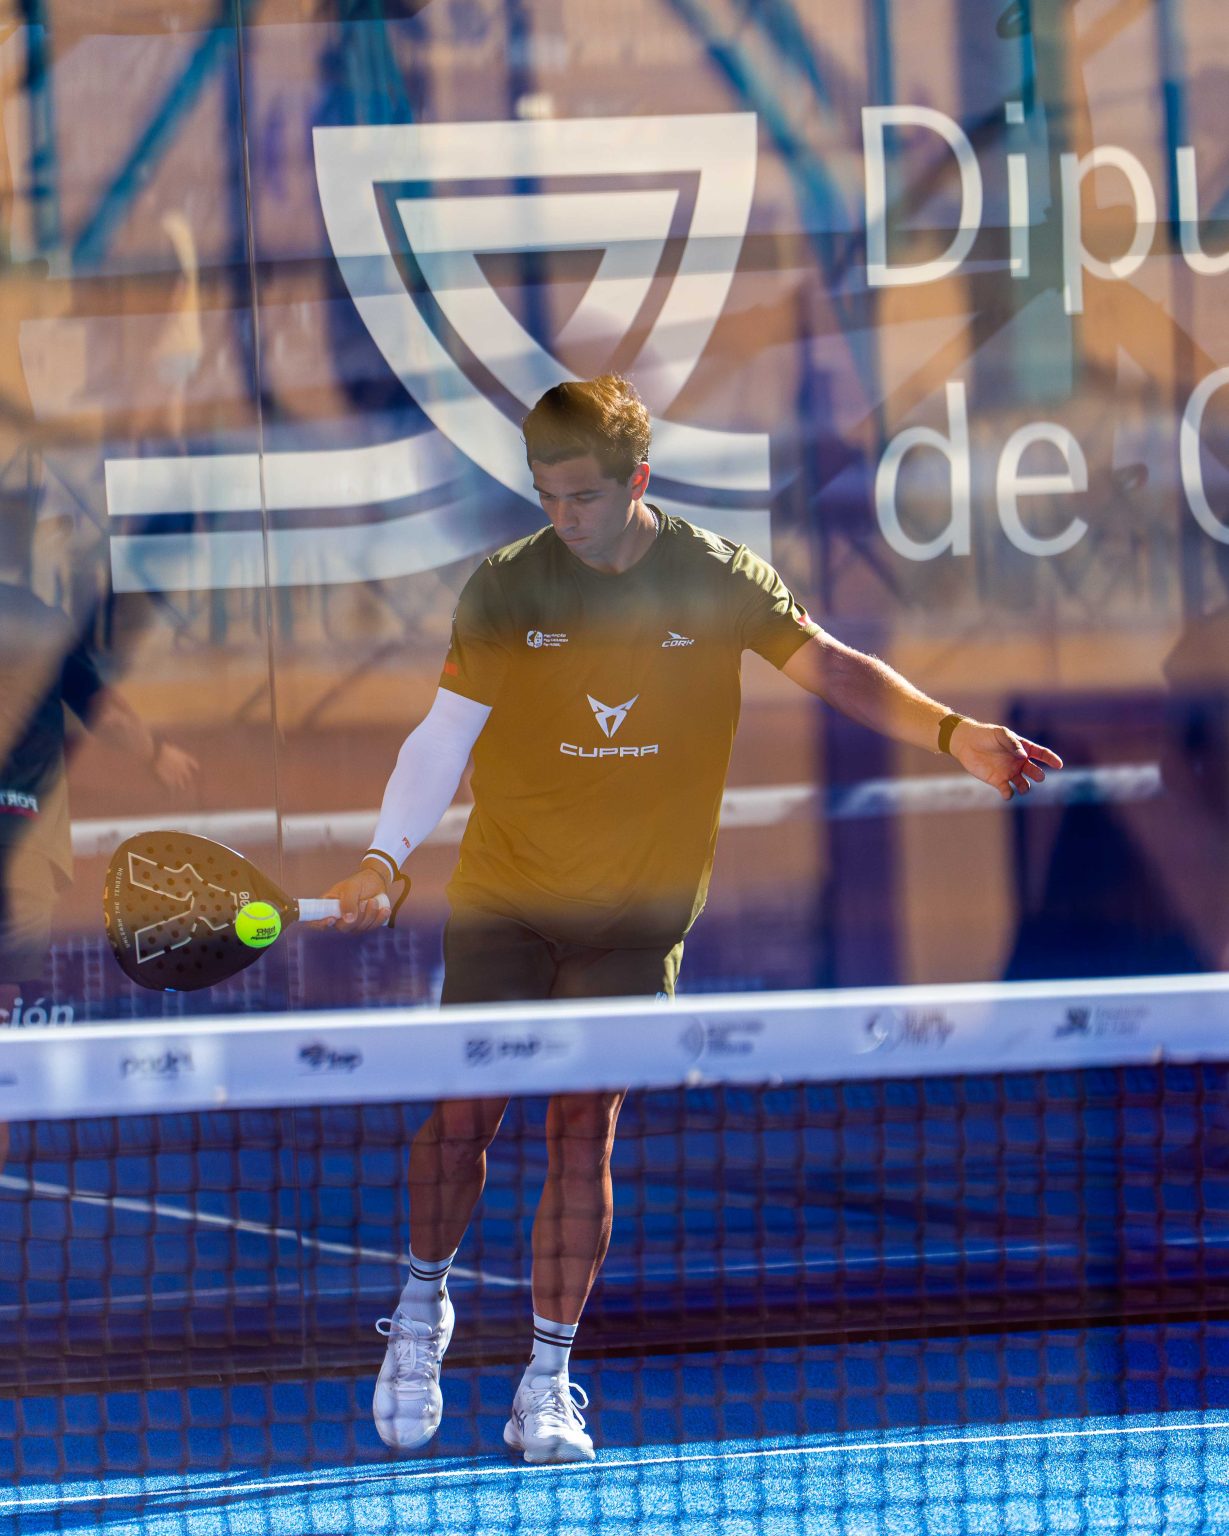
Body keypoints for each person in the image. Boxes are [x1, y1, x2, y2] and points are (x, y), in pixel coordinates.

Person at [322, 375, 1062, 1464]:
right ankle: (423, 1303)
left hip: (638, 915)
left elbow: (833, 668)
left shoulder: (716, 577)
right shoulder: (507, 585)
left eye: (581, 496)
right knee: (465, 1117)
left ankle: (544, 1382)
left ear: (638, 480)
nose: (561, 517)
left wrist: (954, 735)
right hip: (507, 898)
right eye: (544, 495)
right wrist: (385, 856)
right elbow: (443, 735)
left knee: (584, 1128)